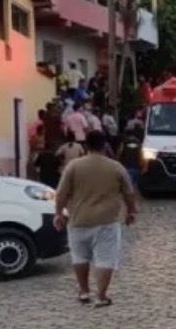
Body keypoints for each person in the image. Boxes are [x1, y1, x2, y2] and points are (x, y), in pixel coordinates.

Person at [53, 129, 137, 307]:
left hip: (78, 219)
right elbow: (129, 192)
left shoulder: (73, 166)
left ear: (86, 146)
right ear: (104, 145)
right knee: (105, 258)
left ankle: (84, 292)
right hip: (107, 221)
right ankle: (101, 295)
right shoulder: (115, 167)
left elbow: (61, 193)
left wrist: (58, 213)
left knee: (79, 257)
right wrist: (131, 211)